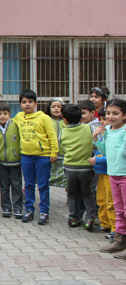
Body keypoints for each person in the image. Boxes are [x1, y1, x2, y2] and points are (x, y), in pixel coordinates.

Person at [13, 90, 58, 226]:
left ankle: (44, 211)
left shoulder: (44, 117)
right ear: (20, 104)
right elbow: (6, 124)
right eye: (24, 102)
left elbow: (52, 136)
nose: (27, 105)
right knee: (29, 184)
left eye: (30, 102)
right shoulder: (19, 117)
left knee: (43, 185)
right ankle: (29, 210)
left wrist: (54, 153)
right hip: (26, 156)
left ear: (36, 103)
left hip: (42, 157)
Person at [94, 99, 126, 258]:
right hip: (113, 174)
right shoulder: (108, 131)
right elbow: (105, 150)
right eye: (108, 113)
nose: (111, 117)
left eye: (115, 113)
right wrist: (96, 138)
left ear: (124, 116)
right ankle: (119, 242)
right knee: (119, 210)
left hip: (124, 175)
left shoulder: (124, 131)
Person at [60, 104, 97, 230]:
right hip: (86, 167)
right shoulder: (89, 128)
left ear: (64, 119)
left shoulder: (63, 132)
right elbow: (95, 144)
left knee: (72, 193)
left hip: (70, 168)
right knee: (87, 192)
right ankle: (90, 218)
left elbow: (63, 148)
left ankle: (73, 218)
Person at [0, 101, 23, 219]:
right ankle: (6, 208)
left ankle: (18, 208)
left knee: (17, 185)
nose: (2, 116)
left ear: (9, 114)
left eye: (5, 113)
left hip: (15, 161)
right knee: (4, 187)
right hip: (1, 162)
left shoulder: (15, 124)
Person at [90, 108, 115, 238]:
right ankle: (105, 223)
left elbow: (112, 154)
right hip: (101, 171)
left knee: (111, 201)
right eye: (103, 119)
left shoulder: (115, 133)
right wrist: (95, 137)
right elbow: (102, 149)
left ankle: (114, 228)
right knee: (101, 199)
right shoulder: (105, 133)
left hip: (111, 172)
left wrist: (97, 159)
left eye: (105, 119)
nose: (104, 122)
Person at [46, 98, 66, 188]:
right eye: (53, 107)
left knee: (66, 179)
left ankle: (70, 197)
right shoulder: (46, 120)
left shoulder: (66, 122)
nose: (56, 109)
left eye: (59, 107)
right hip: (49, 154)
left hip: (63, 154)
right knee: (43, 177)